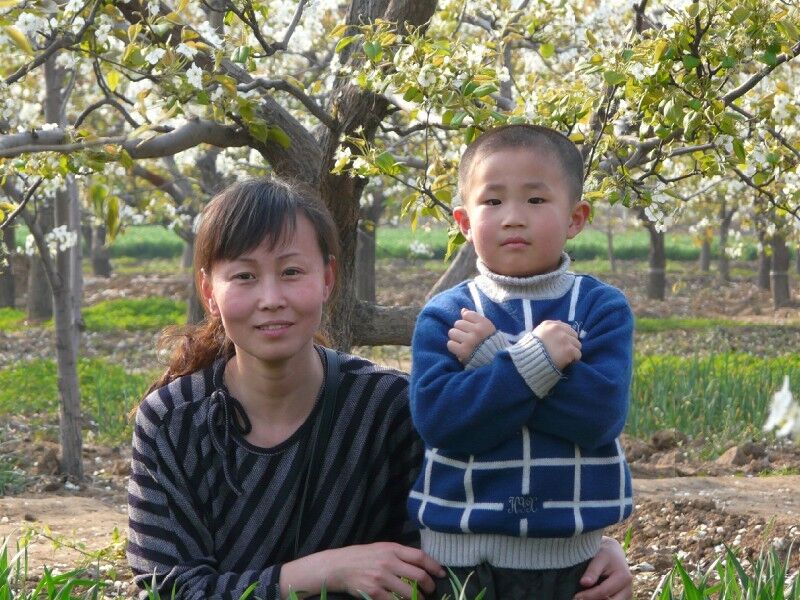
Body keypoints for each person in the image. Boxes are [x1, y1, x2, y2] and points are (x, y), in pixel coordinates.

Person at [127, 177, 633, 600]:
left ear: (328, 279)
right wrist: (319, 572)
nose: (271, 298)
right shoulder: (173, 419)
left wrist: (584, 552)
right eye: (243, 276)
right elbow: (167, 588)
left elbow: (466, 514)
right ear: (208, 292)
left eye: (292, 271)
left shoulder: (386, 406)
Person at [408, 124, 635, 599]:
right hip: (458, 562)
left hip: (571, 564)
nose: (513, 218)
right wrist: (535, 360)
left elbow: (598, 417)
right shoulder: (448, 315)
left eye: (535, 200)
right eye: (492, 201)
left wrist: (492, 357)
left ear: (575, 218)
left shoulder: (600, 308)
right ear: (464, 222)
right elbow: (443, 422)